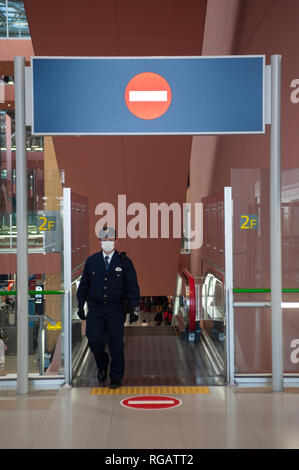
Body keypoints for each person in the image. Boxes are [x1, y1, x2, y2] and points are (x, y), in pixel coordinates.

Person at [76, 227, 140, 389]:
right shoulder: (92, 261)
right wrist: (80, 305)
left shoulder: (124, 262)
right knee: (94, 340)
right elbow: (84, 285)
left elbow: (132, 286)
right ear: (99, 241)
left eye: (110, 239)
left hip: (115, 309)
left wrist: (134, 308)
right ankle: (102, 364)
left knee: (116, 344)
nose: (107, 242)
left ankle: (116, 377)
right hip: (95, 309)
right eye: (104, 239)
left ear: (115, 240)